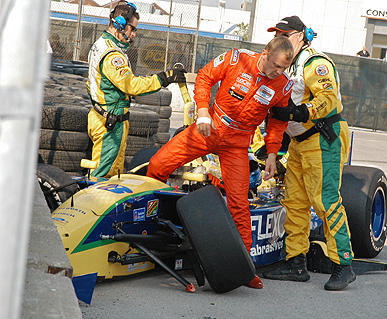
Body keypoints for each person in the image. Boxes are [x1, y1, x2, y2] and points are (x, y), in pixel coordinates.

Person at [147, 36, 295, 289]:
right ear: (265, 52)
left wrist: (272, 153)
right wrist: (203, 111)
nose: (278, 72)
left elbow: (278, 121)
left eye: (283, 68)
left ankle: (244, 267)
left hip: (237, 144)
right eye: (276, 65)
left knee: (239, 202)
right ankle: (148, 233)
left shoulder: (283, 85)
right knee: (158, 166)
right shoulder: (237, 59)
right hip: (208, 129)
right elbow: (205, 77)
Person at [262, 16, 355, 291]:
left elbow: (329, 100)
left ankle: (344, 265)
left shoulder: (315, 63)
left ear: (301, 36)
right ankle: (295, 263)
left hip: (323, 139)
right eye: (277, 34)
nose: (281, 38)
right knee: (295, 203)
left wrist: (300, 112)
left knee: (325, 201)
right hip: (298, 143)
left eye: (286, 34)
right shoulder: (284, 66)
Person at [87, 1, 185, 177]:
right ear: (119, 24)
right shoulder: (112, 55)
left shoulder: (101, 44)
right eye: (132, 29)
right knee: (101, 178)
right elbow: (131, 85)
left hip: (105, 117)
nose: (133, 35)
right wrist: (163, 79)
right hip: (109, 123)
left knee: (112, 176)